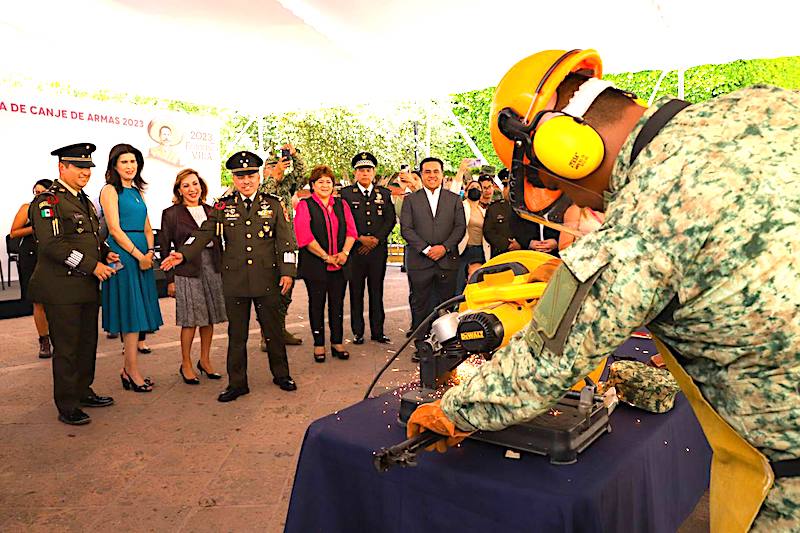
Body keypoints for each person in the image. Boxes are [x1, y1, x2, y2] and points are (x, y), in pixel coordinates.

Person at [407, 48, 800, 529]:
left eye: (559, 185)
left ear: (567, 154)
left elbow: (538, 369)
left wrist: (453, 411)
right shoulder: (765, 104)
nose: (577, 200)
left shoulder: (640, 227)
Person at [161, 150, 298, 400]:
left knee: (273, 331)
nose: (245, 181)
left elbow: (287, 242)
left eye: (250, 176)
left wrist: (288, 272)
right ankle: (237, 383)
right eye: (240, 177)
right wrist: (183, 254)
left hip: (267, 279)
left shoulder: (273, 204)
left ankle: (281, 375)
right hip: (234, 281)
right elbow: (204, 232)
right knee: (237, 335)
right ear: (233, 179)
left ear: (258, 177)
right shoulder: (224, 206)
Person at [28, 143, 116, 425]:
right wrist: (93, 265)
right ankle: (67, 404)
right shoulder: (48, 201)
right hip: (61, 288)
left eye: (88, 168)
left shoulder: (84, 200)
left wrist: (104, 252)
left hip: (85, 287)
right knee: (66, 348)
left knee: (86, 343)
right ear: (62, 167)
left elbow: (86, 236)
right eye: (78, 167)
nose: (85, 173)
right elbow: (53, 245)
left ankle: (83, 390)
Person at [100, 144, 163, 393]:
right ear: (114, 165)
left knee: (138, 315)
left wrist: (149, 253)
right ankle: (132, 371)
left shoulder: (138, 191)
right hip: (125, 256)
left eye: (133, 161)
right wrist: (138, 255)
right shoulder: (109, 190)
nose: (130, 166)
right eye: (124, 162)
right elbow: (114, 229)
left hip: (142, 255)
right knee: (130, 314)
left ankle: (128, 369)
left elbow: (148, 227)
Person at [159, 169, 227, 384]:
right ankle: (186, 363)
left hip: (212, 267)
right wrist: (170, 279)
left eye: (195, 184)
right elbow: (164, 248)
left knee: (210, 318)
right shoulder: (171, 214)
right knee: (190, 320)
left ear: (201, 186)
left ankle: (205, 361)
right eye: (186, 185)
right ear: (179, 190)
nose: (192, 189)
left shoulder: (212, 210)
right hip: (186, 269)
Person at [294, 165, 357, 362]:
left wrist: (344, 253)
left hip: (340, 263)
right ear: (312, 185)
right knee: (317, 304)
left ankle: (337, 342)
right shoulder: (305, 205)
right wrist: (325, 256)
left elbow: (351, 231)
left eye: (328, 181)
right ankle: (319, 344)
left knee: (337, 304)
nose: (324, 185)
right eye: (320, 182)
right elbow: (303, 235)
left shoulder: (341, 205)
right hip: (316, 265)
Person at [400, 157, 466, 344]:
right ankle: (421, 346)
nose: (432, 175)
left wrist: (444, 248)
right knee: (421, 304)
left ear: (443, 175)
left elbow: (460, 227)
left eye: (436, 171)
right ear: (421, 175)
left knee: (445, 305)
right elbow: (406, 229)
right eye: (427, 172)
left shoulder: (454, 199)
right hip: (420, 262)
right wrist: (427, 249)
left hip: (447, 261)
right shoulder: (411, 200)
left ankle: (443, 345)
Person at [339, 152, 396, 345]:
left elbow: (390, 220)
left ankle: (378, 331)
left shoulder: (385, 194)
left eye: (368, 170)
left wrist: (376, 240)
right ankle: (358, 332)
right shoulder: (346, 194)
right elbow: (343, 222)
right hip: (355, 251)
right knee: (356, 292)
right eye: (361, 170)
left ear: (374, 172)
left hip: (377, 251)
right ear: (355, 173)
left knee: (376, 291)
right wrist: (360, 239)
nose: (365, 173)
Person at [258, 144, 306, 349]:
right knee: (268, 292)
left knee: (286, 290)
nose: (275, 169)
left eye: (276, 165)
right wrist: (275, 173)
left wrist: (295, 155)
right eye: (270, 167)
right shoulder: (260, 188)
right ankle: (265, 335)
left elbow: (301, 173)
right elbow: (267, 191)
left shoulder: (286, 186)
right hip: (267, 248)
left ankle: (280, 328)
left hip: (287, 246)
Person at [10, 178, 53, 358]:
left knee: (56, 300)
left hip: (52, 256)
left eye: (42, 192)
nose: (38, 195)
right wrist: (35, 228)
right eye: (35, 192)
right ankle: (44, 340)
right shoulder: (27, 208)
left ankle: (59, 338)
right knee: (38, 301)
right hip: (31, 256)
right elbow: (14, 232)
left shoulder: (56, 209)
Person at [483, 171, 566, 258]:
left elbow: (568, 228)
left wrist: (557, 241)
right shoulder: (501, 208)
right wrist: (525, 243)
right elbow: (490, 231)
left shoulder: (561, 204)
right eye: (506, 186)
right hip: (515, 256)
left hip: (555, 256)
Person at [455, 176, 493, 293]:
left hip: (481, 251)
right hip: (464, 250)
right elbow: (453, 194)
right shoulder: (461, 207)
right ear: (466, 192)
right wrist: (461, 172)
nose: (475, 189)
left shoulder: (484, 211)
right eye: (472, 187)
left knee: (479, 284)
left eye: (478, 187)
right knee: (460, 283)